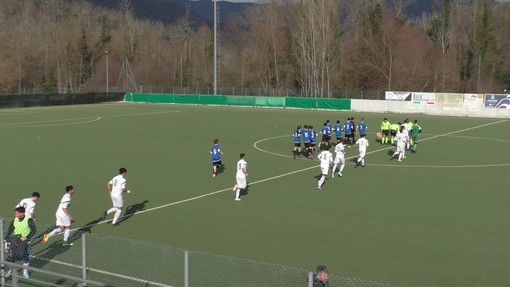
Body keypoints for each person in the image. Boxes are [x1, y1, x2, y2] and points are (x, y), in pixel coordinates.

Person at [4, 207, 36, 279]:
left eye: (17, 213)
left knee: (25, 257)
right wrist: (6, 238)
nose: (16, 214)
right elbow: (10, 229)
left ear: (22, 213)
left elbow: (34, 230)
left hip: (25, 242)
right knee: (12, 256)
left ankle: (25, 272)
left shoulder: (28, 220)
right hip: (15, 241)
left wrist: (27, 237)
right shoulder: (15, 219)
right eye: (16, 213)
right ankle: (11, 270)